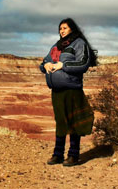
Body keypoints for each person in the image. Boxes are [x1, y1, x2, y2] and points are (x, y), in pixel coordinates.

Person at [39, 18, 97, 166]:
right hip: (57, 90)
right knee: (60, 122)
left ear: (72, 29)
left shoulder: (79, 44)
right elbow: (44, 62)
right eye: (60, 29)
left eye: (64, 28)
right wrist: (45, 65)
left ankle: (73, 156)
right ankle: (57, 155)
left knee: (73, 122)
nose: (62, 31)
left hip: (72, 89)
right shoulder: (56, 46)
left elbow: (83, 63)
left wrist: (63, 65)